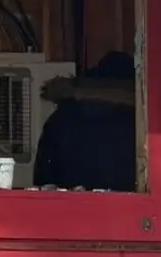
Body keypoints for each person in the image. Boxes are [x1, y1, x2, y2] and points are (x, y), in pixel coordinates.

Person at [32, 52, 138, 191]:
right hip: (124, 207)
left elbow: (42, 182)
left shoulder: (60, 119)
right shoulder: (136, 122)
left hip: (67, 207)